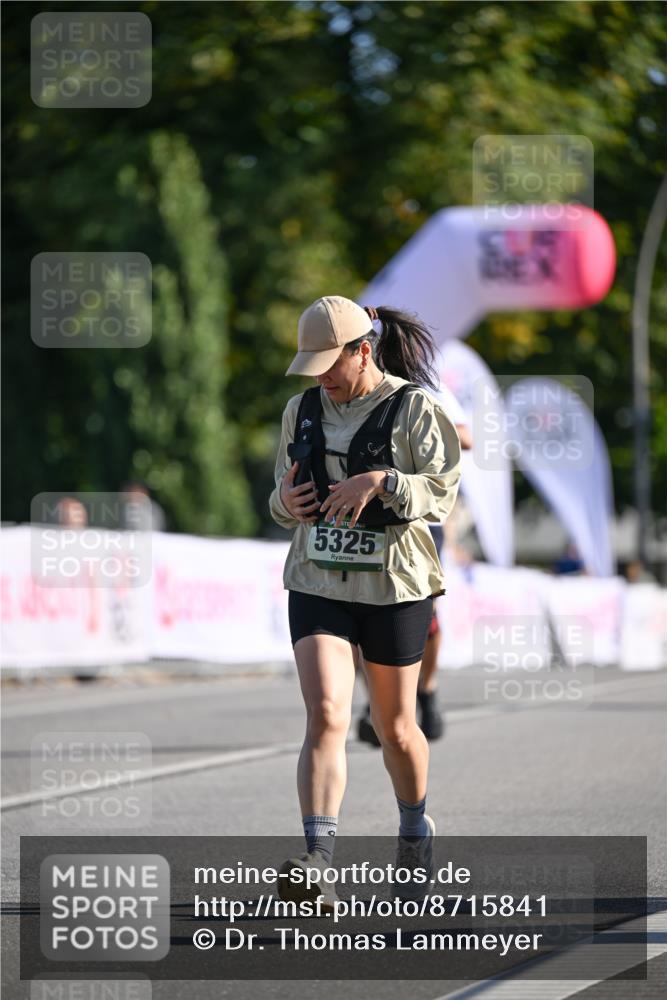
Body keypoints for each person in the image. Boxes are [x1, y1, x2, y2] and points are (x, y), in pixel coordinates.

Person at [268, 295, 461, 906]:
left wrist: (380, 480)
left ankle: (413, 837)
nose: (322, 376)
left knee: (394, 726)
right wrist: (285, 505)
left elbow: (441, 492)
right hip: (318, 578)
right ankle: (318, 861)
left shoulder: (414, 408)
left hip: (395, 582)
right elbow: (280, 495)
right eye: (314, 364)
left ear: (363, 350)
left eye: (333, 362)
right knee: (326, 712)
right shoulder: (299, 409)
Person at [357, 380, 472, 745]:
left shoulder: (424, 389)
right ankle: (377, 699)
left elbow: (468, 439)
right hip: (357, 517)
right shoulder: (346, 391)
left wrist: (415, 426)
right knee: (356, 614)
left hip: (415, 518)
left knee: (425, 620)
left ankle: (427, 690)